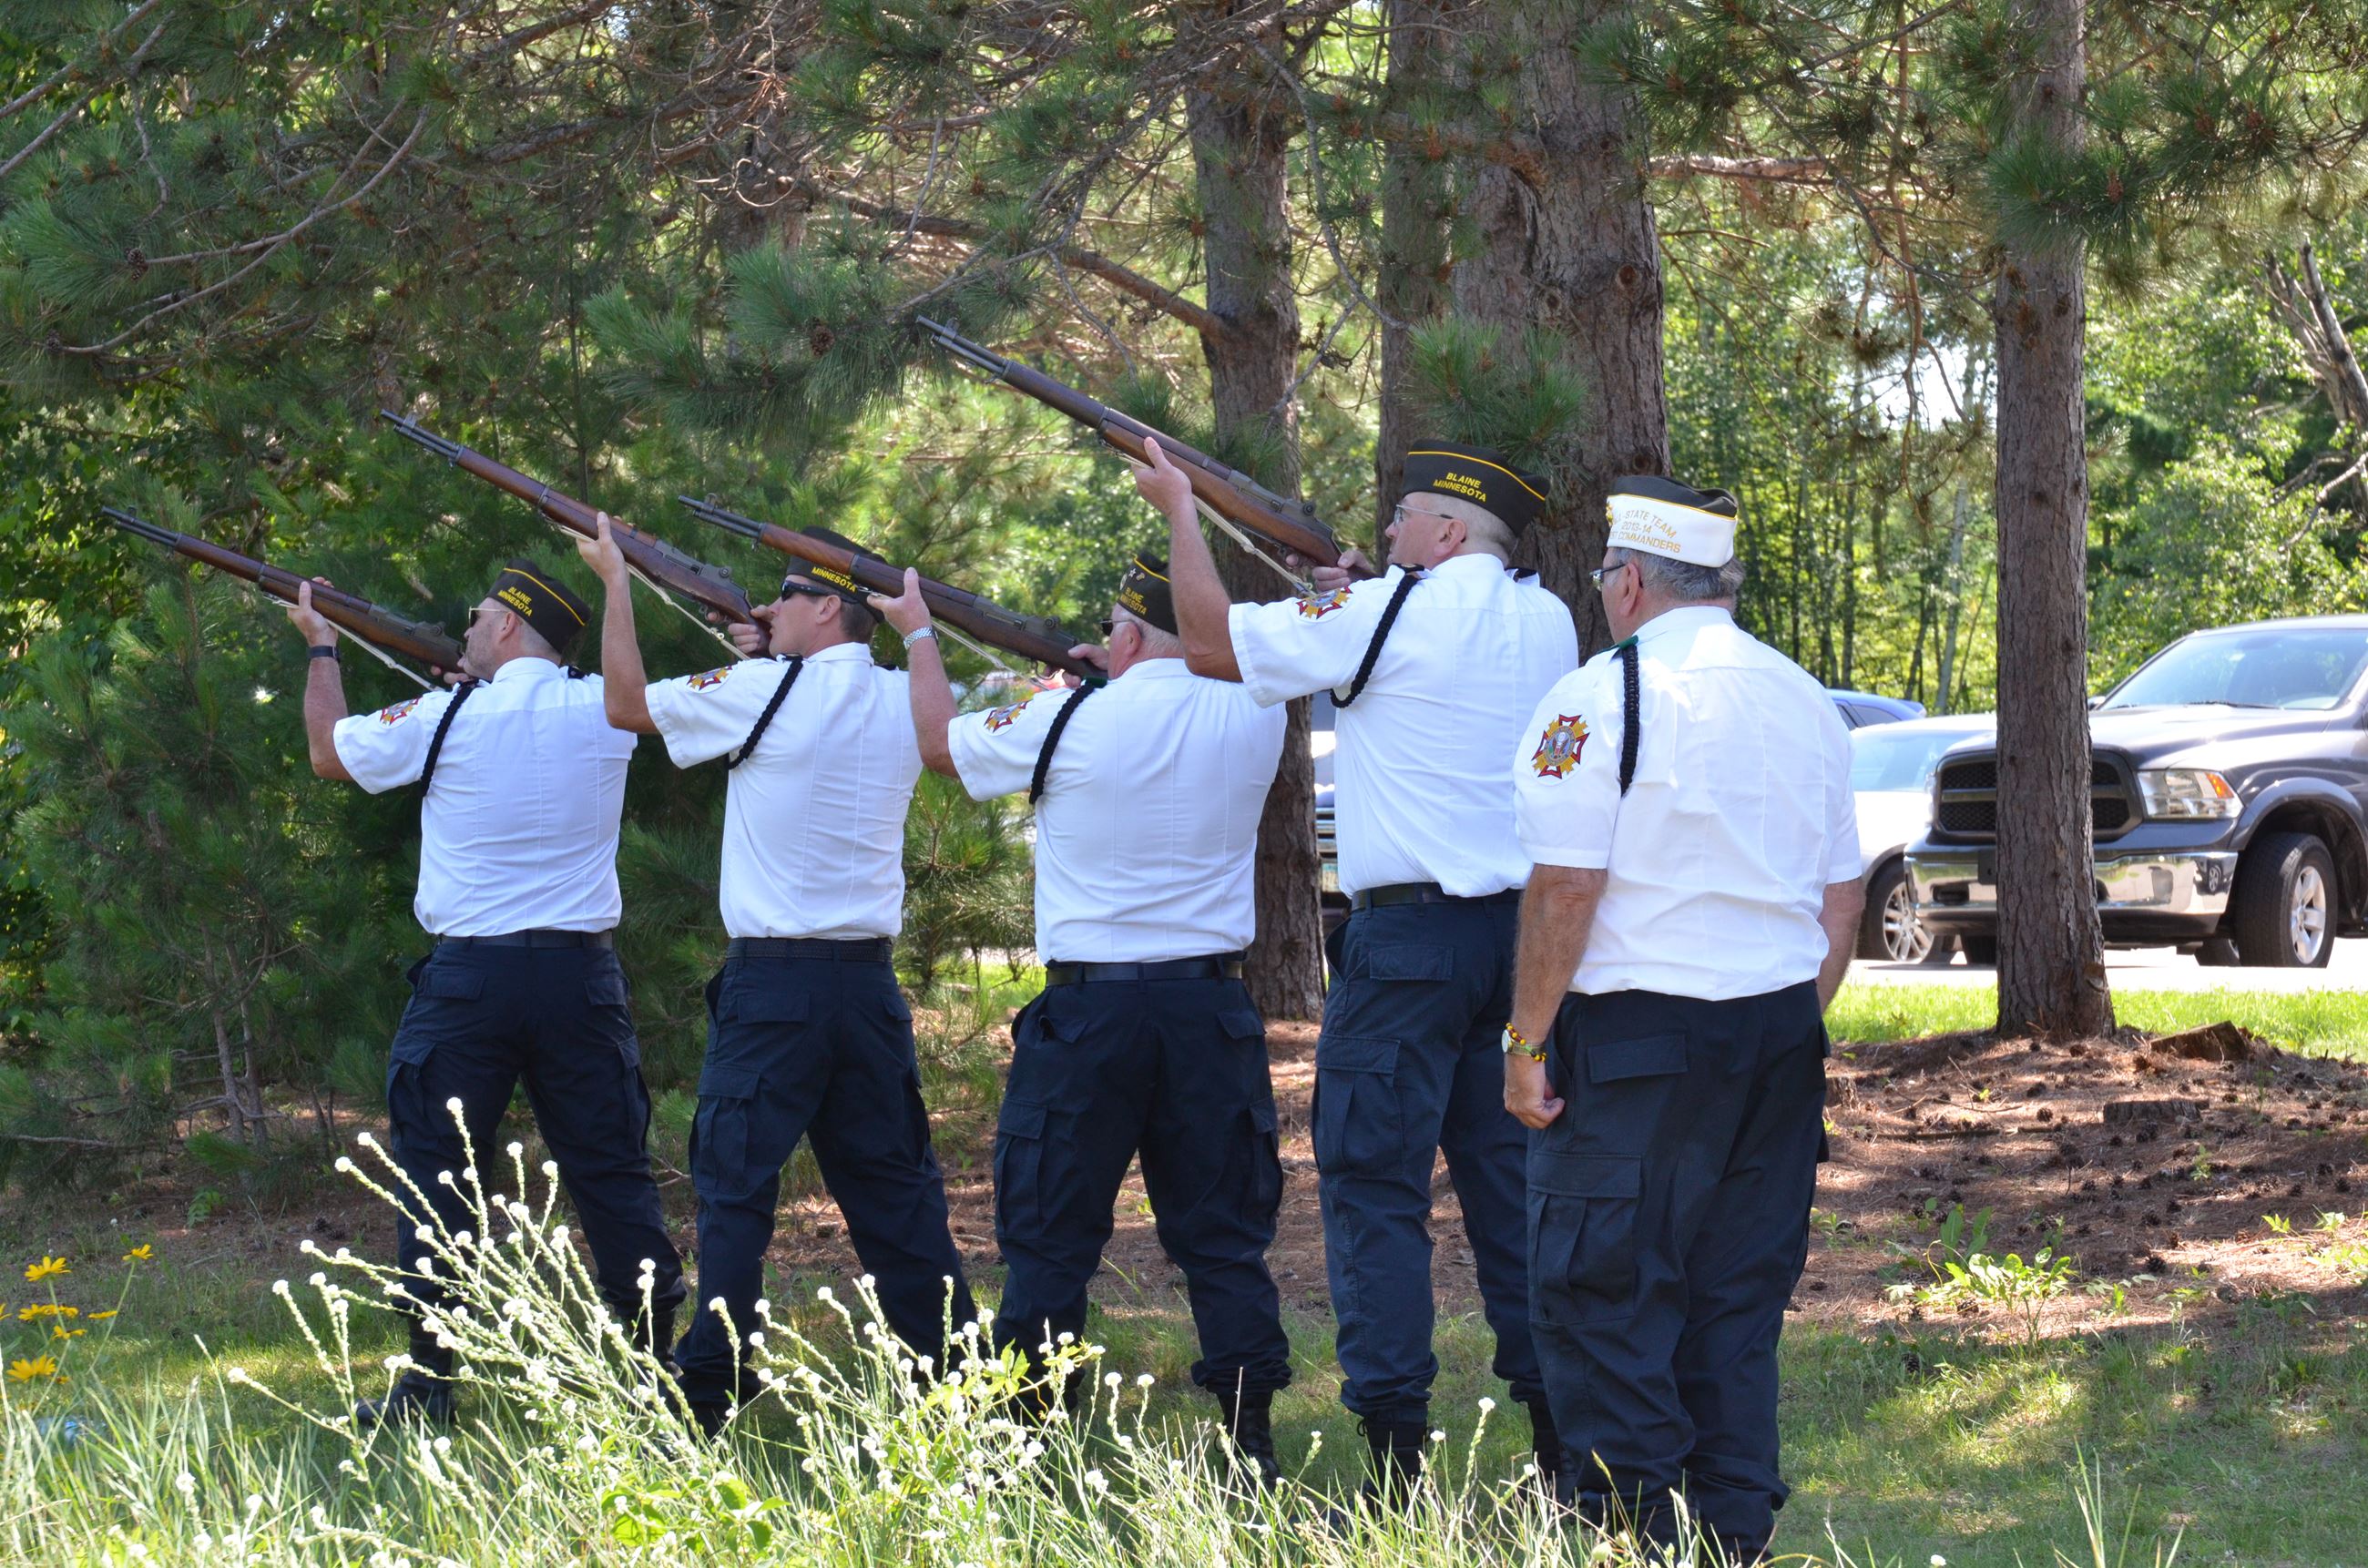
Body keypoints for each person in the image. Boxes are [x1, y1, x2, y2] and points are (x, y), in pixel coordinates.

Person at [1141, 436, 1579, 1500]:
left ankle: (1393, 1451)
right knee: (1512, 1192)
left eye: (1400, 521)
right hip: (1517, 943)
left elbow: (1204, 642)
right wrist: (1364, 598)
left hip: (1408, 945)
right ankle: (1562, 1441)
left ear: (1441, 533)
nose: (1382, 535)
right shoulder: (1548, 616)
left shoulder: (1384, 612)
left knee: (1374, 1191)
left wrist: (1181, 511)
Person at [1502, 477, 1863, 1563]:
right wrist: (1787, 1022)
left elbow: (1565, 886)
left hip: (1634, 1040)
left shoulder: (1600, 692)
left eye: (1606, 579)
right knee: (1733, 1303)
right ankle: (1731, 1532)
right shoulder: (1803, 695)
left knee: (1603, 1292)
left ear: (1626, 581)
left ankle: (1629, 1535)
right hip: (1775, 1032)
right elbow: (1838, 897)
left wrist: (1523, 1044)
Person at [874, 552, 1293, 1482]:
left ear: (1130, 635)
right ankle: (1247, 1437)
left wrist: (915, 634)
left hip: (1089, 1012)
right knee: (1223, 1239)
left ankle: (1027, 1441)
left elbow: (942, 745)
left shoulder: (1063, 718)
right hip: (1206, 1005)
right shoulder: (1259, 709)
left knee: (1049, 1239)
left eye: (1112, 628)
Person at [571, 516, 978, 1436]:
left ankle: (712, 1381)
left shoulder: (761, 690)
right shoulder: (895, 696)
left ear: (825, 608)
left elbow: (625, 704)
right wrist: (770, 659)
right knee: (894, 1197)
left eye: (786, 597)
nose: (766, 607)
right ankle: (955, 1385)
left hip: (774, 989)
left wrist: (616, 583)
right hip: (864, 989)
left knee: (734, 1190)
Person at [286, 561, 683, 1428]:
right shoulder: (607, 707)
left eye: (476, 616)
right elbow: (634, 696)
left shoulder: (448, 713)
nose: (464, 628)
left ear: (507, 627)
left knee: (437, 1176)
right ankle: (649, 1370)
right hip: (581, 977)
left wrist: (322, 648)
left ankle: (430, 1381)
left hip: (470, 981)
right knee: (611, 1171)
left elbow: (329, 753)